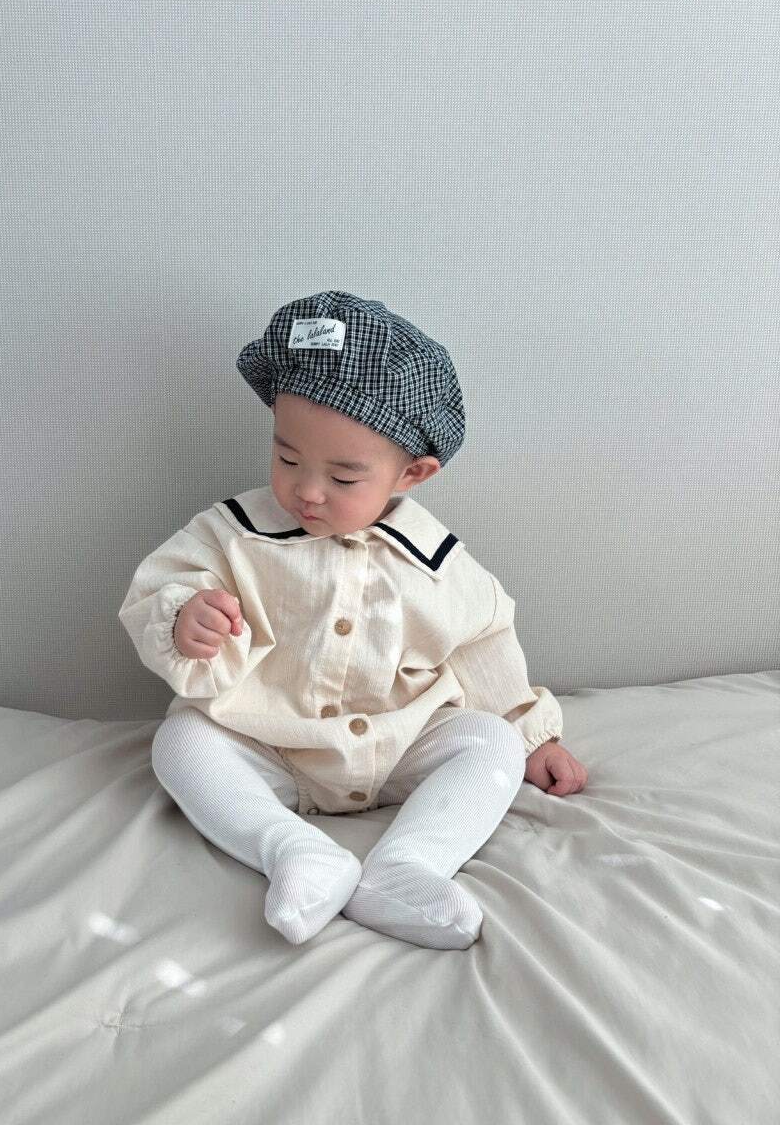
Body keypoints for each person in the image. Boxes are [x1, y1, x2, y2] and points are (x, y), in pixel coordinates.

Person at [119, 290, 588, 951]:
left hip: (399, 746)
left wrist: (533, 735)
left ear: (412, 473)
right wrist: (183, 619)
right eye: (287, 459)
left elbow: (483, 644)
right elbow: (162, 586)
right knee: (181, 743)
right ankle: (294, 851)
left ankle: (408, 867)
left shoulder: (436, 562)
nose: (307, 490)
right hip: (269, 743)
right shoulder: (234, 534)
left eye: (343, 478)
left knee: (491, 744)